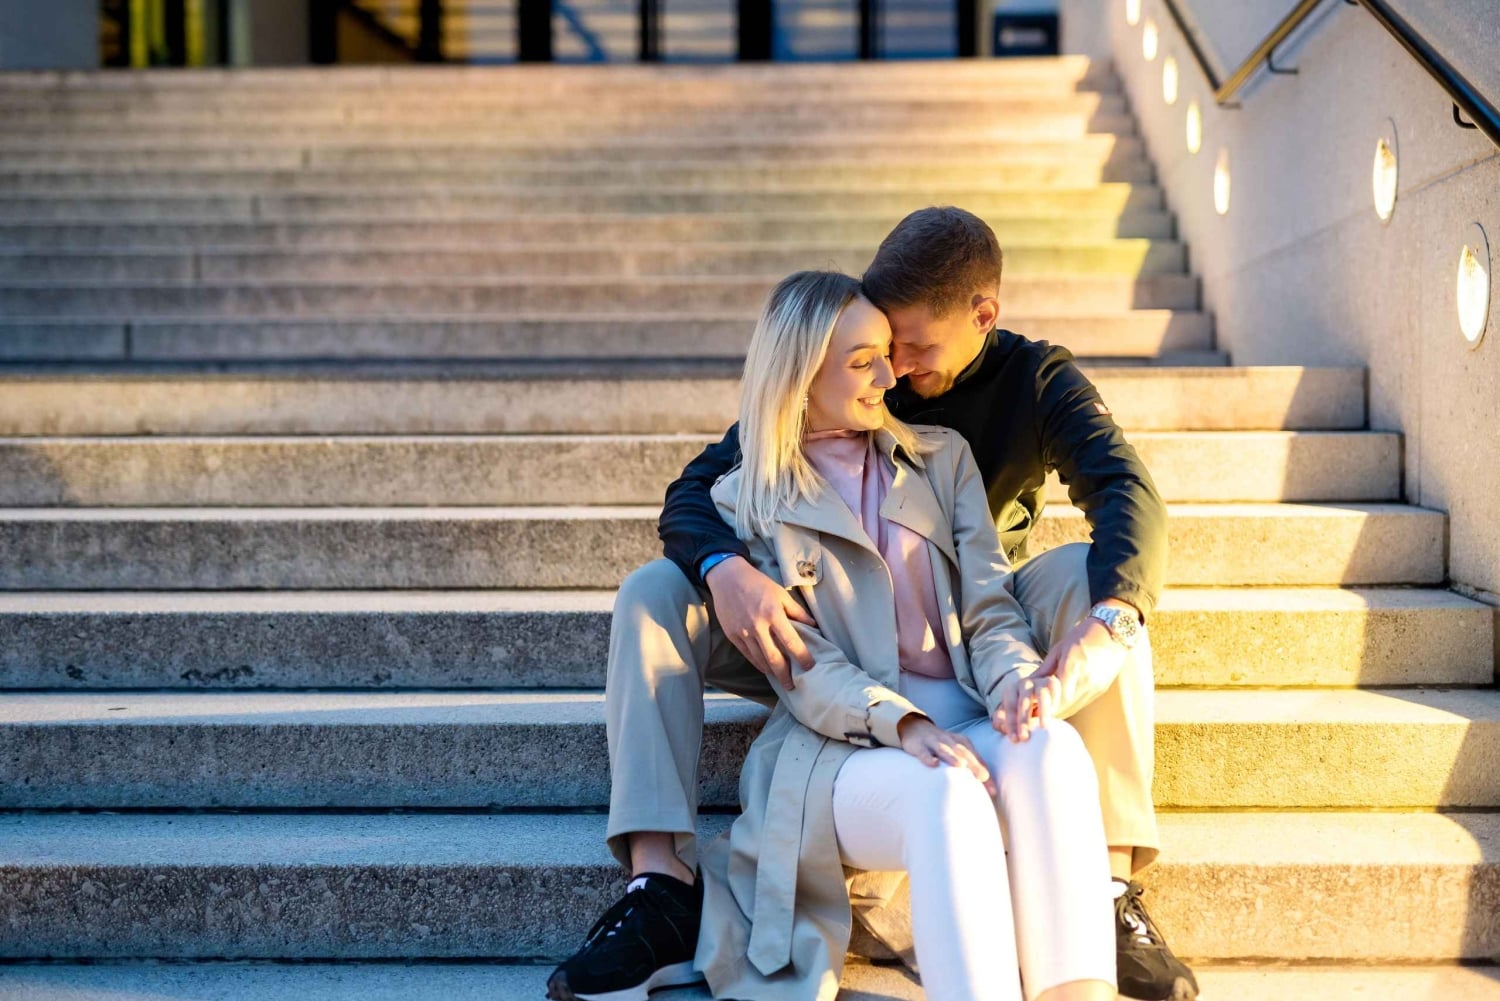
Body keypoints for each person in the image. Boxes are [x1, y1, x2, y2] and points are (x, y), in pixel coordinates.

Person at [548, 207, 1198, 1001]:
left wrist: (1086, 640)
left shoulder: (1019, 391)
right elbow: (698, 493)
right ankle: (658, 882)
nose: (898, 372)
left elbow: (1121, 500)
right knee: (656, 588)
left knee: (1096, 595)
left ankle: (1105, 886)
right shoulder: (783, 448)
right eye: (876, 352)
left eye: (911, 349)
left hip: (960, 627)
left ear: (982, 318)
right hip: (815, 647)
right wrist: (726, 567)